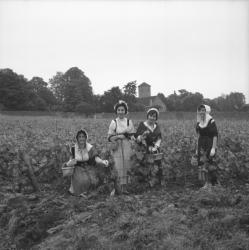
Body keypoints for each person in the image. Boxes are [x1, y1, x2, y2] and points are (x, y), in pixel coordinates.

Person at [66, 129, 109, 196]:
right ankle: (80, 193)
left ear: (86, 138)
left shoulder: (90, 148)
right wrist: (69, 163)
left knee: (94, 180)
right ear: (77, 138)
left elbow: (96, 158)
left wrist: (102, 161)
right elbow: (70, 159)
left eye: (83, 137)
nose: (81, 138)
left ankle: (89, 193)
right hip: (78, 168)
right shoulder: (73, 149)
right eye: (79, 137)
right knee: (82, 181)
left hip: (88, 167)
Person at [107, 100, 135, 194]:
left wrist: (132, 138)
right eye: (119, 110)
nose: (120, 112)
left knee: (126, 166)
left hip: (127, 146)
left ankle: (125, 189)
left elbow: (132, 135)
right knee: (118, 166)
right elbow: (109, 137)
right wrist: (118, 136)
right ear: (116, 111)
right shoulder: (114, 122)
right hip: (117, 146)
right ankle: (116, 188)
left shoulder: (129, 122)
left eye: (122, 110)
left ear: (125, 111)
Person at [135, 108, 163, 185]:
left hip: (155, 149)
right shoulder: (142, 125)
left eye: (154, 116)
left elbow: (159, 137)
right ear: (147, 116)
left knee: (156, 165)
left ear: (156, 118)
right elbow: (137, 138)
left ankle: (155, 182)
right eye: (151, 115)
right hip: (145, 148)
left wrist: (156, 147)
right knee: (146, 165)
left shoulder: (156, 126)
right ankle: (146, 183)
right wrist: (142, 136)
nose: (152, 118)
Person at [195, 104, 219, 189]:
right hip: (201, 144)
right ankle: (206, 183)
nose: (201, 112)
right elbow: (198, 136)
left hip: (209, 143)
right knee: (202, 163)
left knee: (209, 163)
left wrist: (213, 147)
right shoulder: (199, 122)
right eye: (200, 110)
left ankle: (212, 183)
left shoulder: (211, 121)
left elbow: (215, 135)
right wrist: (196, 148)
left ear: (207, 111)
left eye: (203, 110)